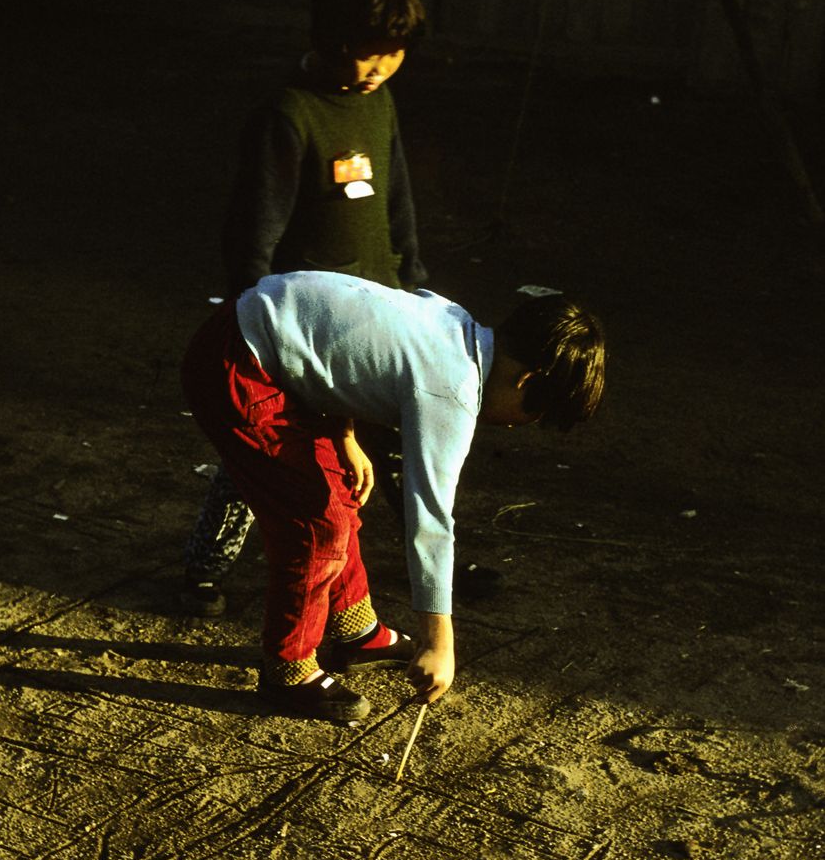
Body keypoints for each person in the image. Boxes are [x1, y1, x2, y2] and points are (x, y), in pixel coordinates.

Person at [180, 272, 606, 720]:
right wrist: (439, 643)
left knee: (338, 492)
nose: (524, 425)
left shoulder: (453, 321)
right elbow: (430, 520)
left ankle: (355, 629)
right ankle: (287, 670)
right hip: (237, 366)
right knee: (317, 524)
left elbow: (341, 343)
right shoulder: (451, 389)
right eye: (534, 412)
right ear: (526, 380)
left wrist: (343, 433)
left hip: (265, 344)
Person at [183, 0, 428, 616]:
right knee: (272, 451)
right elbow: (251, 235)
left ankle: (396, 567)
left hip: (376, 313)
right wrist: (255, 327)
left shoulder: (380, 106)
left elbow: (396, 203)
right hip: (299, 327)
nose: (378, 69)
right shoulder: (288, 117)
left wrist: (413, 282)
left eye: (392, 54)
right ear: (328, 39)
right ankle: (204, 567)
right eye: (365, 54)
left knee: (390, 444)